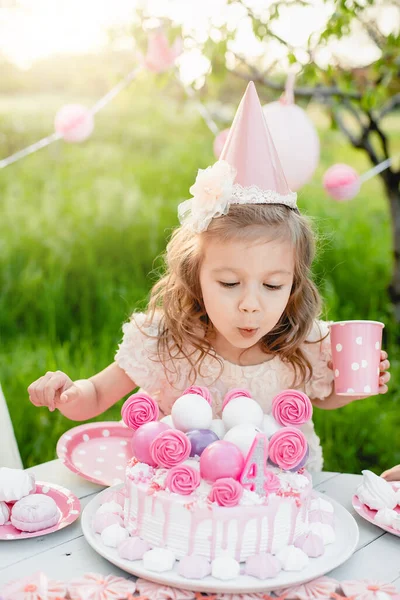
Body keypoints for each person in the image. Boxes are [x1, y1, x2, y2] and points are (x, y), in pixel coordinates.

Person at [27, 82, 391, 472]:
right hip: (184, 510)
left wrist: (346, 391)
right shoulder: (165, 341)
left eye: (272, 285)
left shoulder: (304, 343)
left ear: (294, 282)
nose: (251, 303)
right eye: (230, 283)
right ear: (194, 274)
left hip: (280, 514)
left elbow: (319, 398)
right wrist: (68, 392)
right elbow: (97, 393)